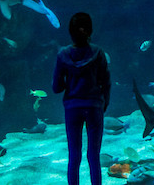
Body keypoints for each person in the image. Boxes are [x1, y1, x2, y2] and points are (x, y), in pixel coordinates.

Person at [52, 12, 111, 185]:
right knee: (94, 156)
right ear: (90, 31)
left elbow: (56, 87)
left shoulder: (63, 55)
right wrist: (103, 103)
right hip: (94, 107)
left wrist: (68, 83)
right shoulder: (98, 53)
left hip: (72, 108)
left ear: (70, 32)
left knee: (74, 155)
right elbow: (106, 82)